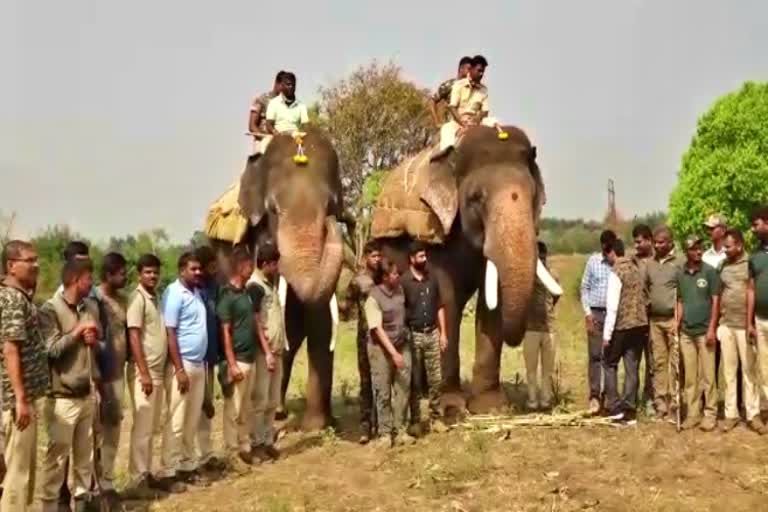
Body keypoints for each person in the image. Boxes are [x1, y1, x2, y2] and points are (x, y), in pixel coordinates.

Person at [38, 258, 103, 512]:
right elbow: (51, 350)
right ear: (76, 279)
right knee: (56, 462)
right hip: (61, 398)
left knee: (84, 461)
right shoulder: (50, 310)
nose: (91, 283)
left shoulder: (88, 308)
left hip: (86, 394)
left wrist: (91, 338)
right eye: (89, 278)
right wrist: (77, 332)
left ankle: (83, 504)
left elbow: (92, 345)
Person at [126, 254, 184, 495]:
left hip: (158, 373)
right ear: (139, 274)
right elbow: (134, 335)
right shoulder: (137, 299)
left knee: (150, 428)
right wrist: (144, 372)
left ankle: (146, 474)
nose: (153, 276)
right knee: (142, 428)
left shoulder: (155, 298)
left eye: (156, 272)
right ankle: (138, 480)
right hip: (145, 374)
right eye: (148, 272)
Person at [0, 240, 50, 512]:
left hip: (24, 399)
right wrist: (20, 399)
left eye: (36, 259)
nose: (36, 265)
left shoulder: (20, 297)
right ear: (11, 265)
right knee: (16, 479)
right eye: (29, 260)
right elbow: (10, 349)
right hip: (16, 402)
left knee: (22, 475)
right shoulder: (10, 299)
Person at [160, 252, 209, 485]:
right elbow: (170, 332)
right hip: (184, 366)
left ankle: (188, 466)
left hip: (199, 365)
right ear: (181, 270)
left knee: (191, 421)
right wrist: (179, 370)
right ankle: (169, 470)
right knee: (177, 421)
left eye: (199, 269)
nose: (198, 272)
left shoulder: (197, 293)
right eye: (193, 269)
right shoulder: (174, 294)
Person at [715, 229, 765, 433]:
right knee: (728, 372)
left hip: (745, 327)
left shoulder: (749, 264)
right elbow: (718, 294)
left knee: (749, 372)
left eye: (728, 246)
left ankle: (753, 415)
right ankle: (731, 414)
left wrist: (750, 323)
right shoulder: (722, 266)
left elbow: (753, 290)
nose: (725, 250)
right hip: (726, 325)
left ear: (739, 245)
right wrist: (718, 322)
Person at [364, 257, 414, 448]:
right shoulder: (373, 298)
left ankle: (400, 430)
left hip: (402, 345)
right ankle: (385, 434)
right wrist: (393, 354)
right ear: (384, 277)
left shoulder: (400, 291)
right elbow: (377, 330)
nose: (397, 277)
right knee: (383, 392)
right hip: (381, 350)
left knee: (403, 389)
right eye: (394, 274)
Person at [216, 246, 258, 464]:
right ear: (240, 266)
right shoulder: (227, 296)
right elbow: (225, 332)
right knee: (233, 409)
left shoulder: (246, 293)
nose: (251, 270)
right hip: (238, 361)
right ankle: (231, 453)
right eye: (249, 266)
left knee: (246, 408)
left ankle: (245, 446)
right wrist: (231, 365)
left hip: (250, 359)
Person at [401, 241, 447, 434]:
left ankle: (436, 418)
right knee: (415, 381)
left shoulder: (432, 278)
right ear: (412, 259)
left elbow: (439, 307)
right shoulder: (404, 281)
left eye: (425, 255)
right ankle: (416, 421)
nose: (424, 259)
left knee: (436, 379)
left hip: (432, 333)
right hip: (414, 335)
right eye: (420, 256)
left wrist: (443, 333)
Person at [93, 252, 129, 504]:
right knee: (96, 432)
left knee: (114, 428)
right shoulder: (94, 301)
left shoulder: (122, 300)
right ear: (108, 274)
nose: (125, 277)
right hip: (98, 377)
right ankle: (94, 488)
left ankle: (107, 481)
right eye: (121, 273)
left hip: (118, 374)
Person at [602, 235, 648, 423]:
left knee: (609, 364)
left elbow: (612, 307)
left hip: (621, 326)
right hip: (639, 325)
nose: (606, 258)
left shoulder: (616, 272)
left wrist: (606, 335)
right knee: (632, 367)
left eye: (607, 254)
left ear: (612, 252)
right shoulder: (636, 268)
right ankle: (630, 409)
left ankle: (615, 407)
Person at [676, 235, 720, 431]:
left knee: (708, 376)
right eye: (694, 249)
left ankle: (710, 413)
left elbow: (716, 302)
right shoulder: (681, 274)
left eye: (700, 248)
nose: (699, 252)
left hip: (705, 333)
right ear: (687, 251)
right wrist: (676, 324)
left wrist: (712, 328)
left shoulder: (710, 272)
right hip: (686, 333)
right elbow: (680, 301)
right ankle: (693, 413)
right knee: (691, 377)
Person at [247, 244, 286, 461]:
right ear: (265, 264)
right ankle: (256, 443)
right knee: (260, 400)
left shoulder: (270, 285)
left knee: (273, 400)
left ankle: (267, 439)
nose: (277, 268)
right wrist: (267, 351)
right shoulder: (255, 286)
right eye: (274, 264)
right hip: (264, 353)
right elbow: (255, 321)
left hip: (276, 350)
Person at [342, 240, 382, 444]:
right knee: (366, 381)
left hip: (383, 337)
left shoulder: (385, 277)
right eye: (374, 256)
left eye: (379, 256)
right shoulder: (358, 281)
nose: (378, 259)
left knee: (382, 380)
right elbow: (346, 307)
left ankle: (382, 423)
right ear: (366, 257)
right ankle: (366, 425)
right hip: (365, 337)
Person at [194, 246, 226, 472]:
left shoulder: (214, 288)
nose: (216, 268)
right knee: (196, 406)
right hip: (195, 358)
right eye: (212, 264)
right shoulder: (194, 290)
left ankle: (205, 454)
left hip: (210, 357)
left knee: (207, 407)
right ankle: (194, 456)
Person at [645, 226, 682, 419]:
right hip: (655, 321)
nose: (657, 245)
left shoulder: (679, 263)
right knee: (658, 362)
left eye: (661, 242)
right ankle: (661, 403)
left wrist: (678, 320)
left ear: (670, 243)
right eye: (655, 242)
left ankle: (676, 403)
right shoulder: (649, 264)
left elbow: (682, 295)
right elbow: (645, 289)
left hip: (672, 320)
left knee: (675, 363)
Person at [580, 230, 618, 414]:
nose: (607, 249)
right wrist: (588, 314)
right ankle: (594, 397)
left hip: (613, 315)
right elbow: (584, 288)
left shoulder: (618, 262)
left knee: (610, 358)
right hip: (595, 313)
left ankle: (610, 397)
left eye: (610, 245)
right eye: (605, 245)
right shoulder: (593, 261)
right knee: (595, 356)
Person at [437, 55, 502, 155]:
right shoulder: (458, 85)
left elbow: (485, 111)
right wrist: (463, 123)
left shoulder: (483, 90)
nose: (481, 74)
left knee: (494, 121)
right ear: (470, 70)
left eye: (483, 72)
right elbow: (452, 107)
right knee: (446, 129)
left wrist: (476, 119)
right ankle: (447, 156)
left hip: (476, 121)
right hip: (458, 121)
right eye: (479, 70)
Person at [522, 242, 560, 411]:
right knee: (531, 369)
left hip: (549, 328)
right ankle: (532, 400)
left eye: (543, 256)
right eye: (538, 257)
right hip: (530, 328)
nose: (541, 260)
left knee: (547, 370)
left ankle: (545, 401)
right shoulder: (526, 276)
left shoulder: (554, 275)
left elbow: (555, 296)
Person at [702, 213, 728, 417]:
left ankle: (734, 405)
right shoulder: (705, 256)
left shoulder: (731, 253)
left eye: (713, 228)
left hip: (729, 313)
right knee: (710, 360)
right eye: (708, 229)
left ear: (723, 230)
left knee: (731, 364)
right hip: (710, 313)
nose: (709, 232)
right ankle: (708, 403)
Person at [631, 224, 655, 415]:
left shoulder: (658, 261)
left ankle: (649, 398)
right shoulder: (631, 262)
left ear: (649, 240)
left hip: (654, 319)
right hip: (634, 320)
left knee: (652, 362)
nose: (636, 245)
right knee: (633, 360)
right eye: (635, 241)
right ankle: (632, 399)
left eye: (639, 241)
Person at [256, 72, 309, 156]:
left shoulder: (301, 105)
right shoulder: (273, 103)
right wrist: (275, 132)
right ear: (282, 86)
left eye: (293, 85)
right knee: (263, 147)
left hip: (295, 136)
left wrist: (302, 134)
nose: (291, 87)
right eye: (288, 84)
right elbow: (269, 124)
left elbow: (306, 125)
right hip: (277, 134)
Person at [748, 205, 768, 418]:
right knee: (765, 368)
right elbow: (751, 289)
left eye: (756, 225)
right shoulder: (754, 256)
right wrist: (749, 322)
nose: (753, 230)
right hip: (760, 320)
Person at [247, 71, 284, 155]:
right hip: (263, 143)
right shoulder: (262, 99)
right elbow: (252, 126)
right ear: (277, 84)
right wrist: (267, 137)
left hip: (280, 146)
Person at [429, 56, 472, 127]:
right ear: (461, 69)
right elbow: (432, 101)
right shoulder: (449, 85)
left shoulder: (472, 87)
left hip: (469, 124)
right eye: (469, 69)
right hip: (452, 125)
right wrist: (436, 122)